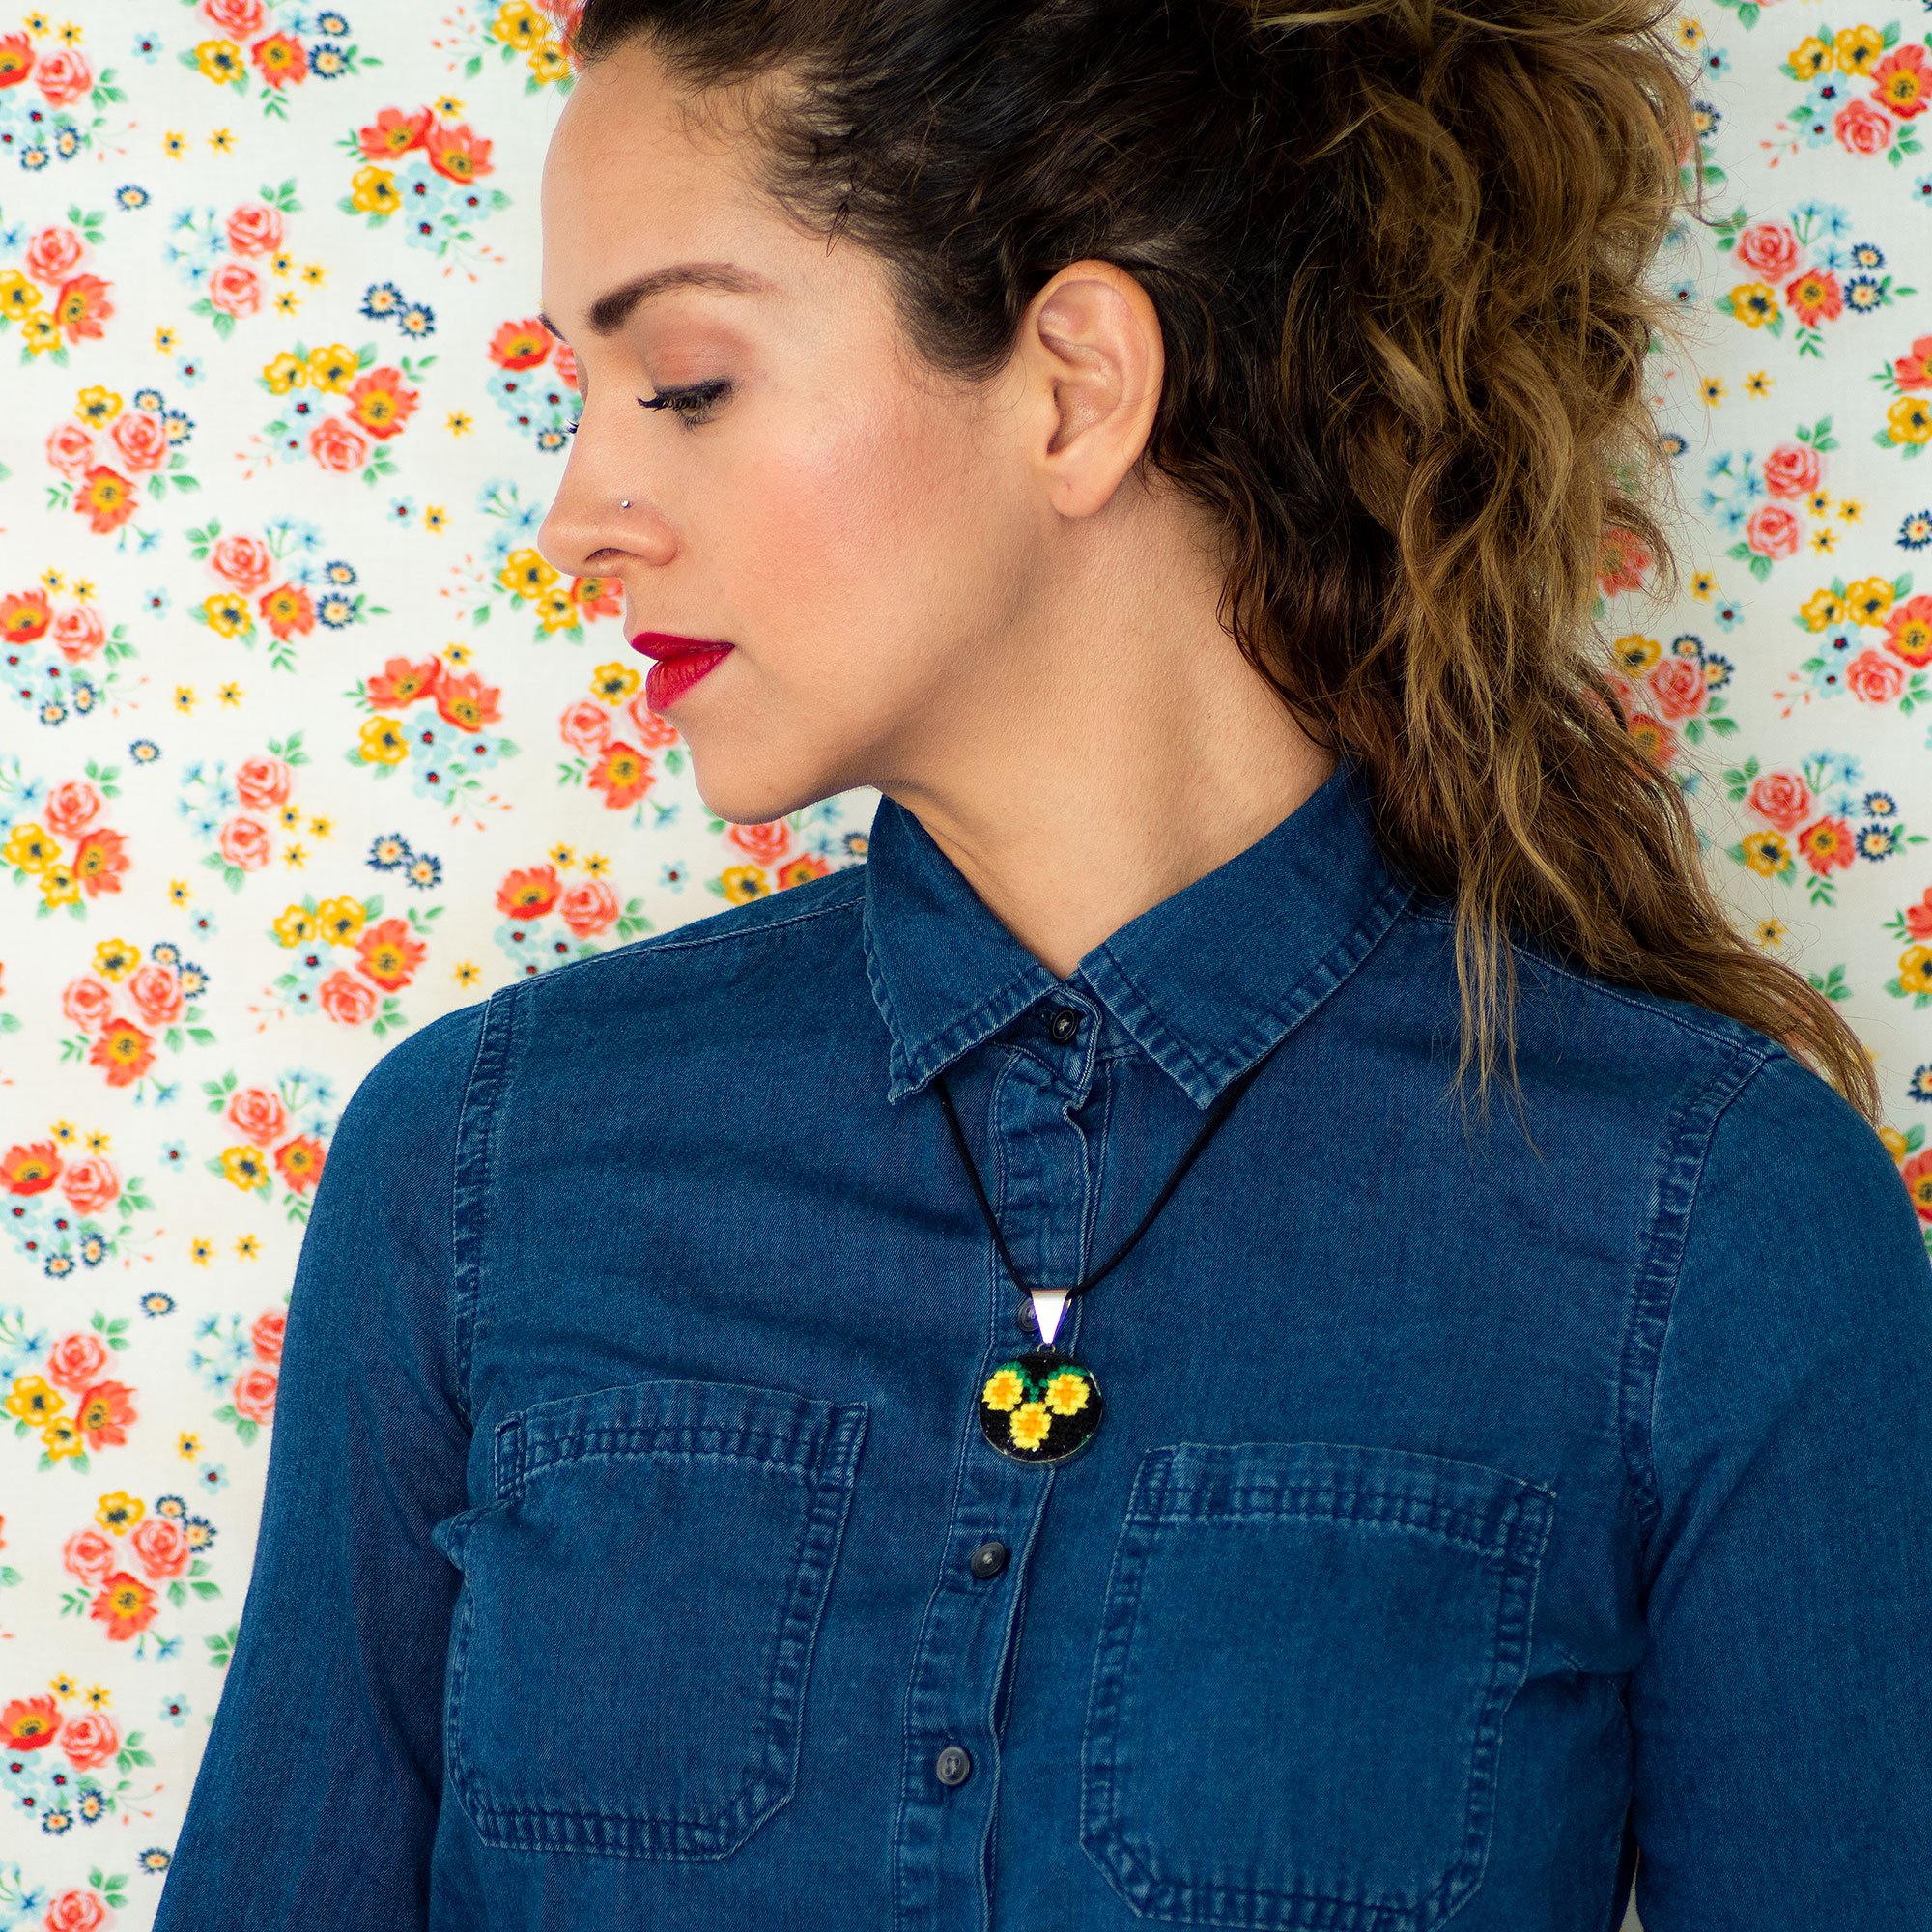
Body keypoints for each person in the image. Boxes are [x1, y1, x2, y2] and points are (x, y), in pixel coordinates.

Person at [150, 1, 1932, 1927]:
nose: (575, 520)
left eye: (681, 379)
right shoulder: (477, 1169)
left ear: (1075, 385)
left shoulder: (1713, 1223)